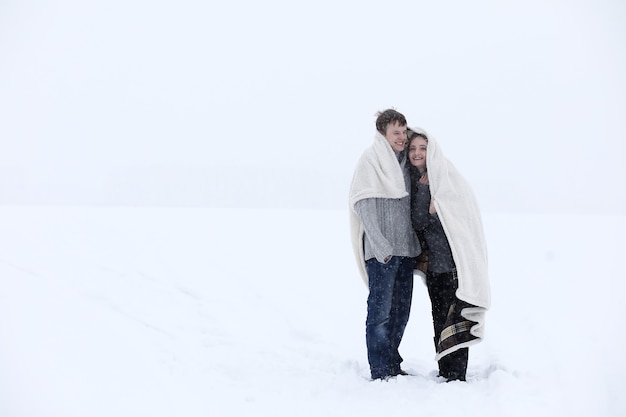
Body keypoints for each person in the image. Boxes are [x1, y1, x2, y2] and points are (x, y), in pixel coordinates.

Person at [407, 128, 491, 382]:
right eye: (412, 149)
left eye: (422, 148)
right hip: (435, 268)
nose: (417, 153)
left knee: (457, 317)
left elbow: (461, 222)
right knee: (439, 318)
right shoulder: (416, 183)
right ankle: (445, 370)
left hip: (455, 266)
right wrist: (425, 198)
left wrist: (440, 209)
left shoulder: (447, 177)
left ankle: (457, 373)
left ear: (431, 150)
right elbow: (419, 223)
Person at [348, 109, 421, 381]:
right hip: (382, 253)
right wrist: (381, 247)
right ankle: (380, 370)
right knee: (380, 314)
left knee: (401, 313)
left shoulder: (407, 162)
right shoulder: (371, 160)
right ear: (383, 134)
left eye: (404, 132)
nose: (401, 138)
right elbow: (363, 203)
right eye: (396, 133)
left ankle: (392, 363)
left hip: (405, 250)